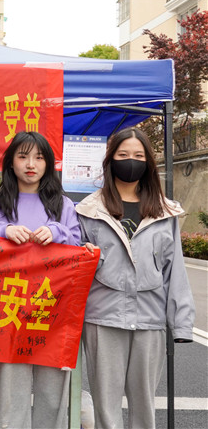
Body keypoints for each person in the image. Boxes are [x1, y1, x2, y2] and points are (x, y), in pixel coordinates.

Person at [75, 126, 195, 428]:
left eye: (139, 156)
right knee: (106, 405)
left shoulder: (164, 212)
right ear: (110, 160)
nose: (131, 161)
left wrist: (181, 322)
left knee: (144, 404)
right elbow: (76, 270)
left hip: (150, 320)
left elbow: (174, 271)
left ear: (149, 162)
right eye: (123, 154)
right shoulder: (88, 210)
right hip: (103, 319)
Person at [0, 131, 82, 429]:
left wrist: (58, 232)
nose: (31, 164)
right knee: (11, 397)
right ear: (10, 163)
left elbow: (78, 249)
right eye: (23, 157)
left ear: (48, 163)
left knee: (52, 395)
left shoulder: (64, 205)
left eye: (38, 157)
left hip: (53, 312)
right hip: (8, 312)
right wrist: (1, 231)